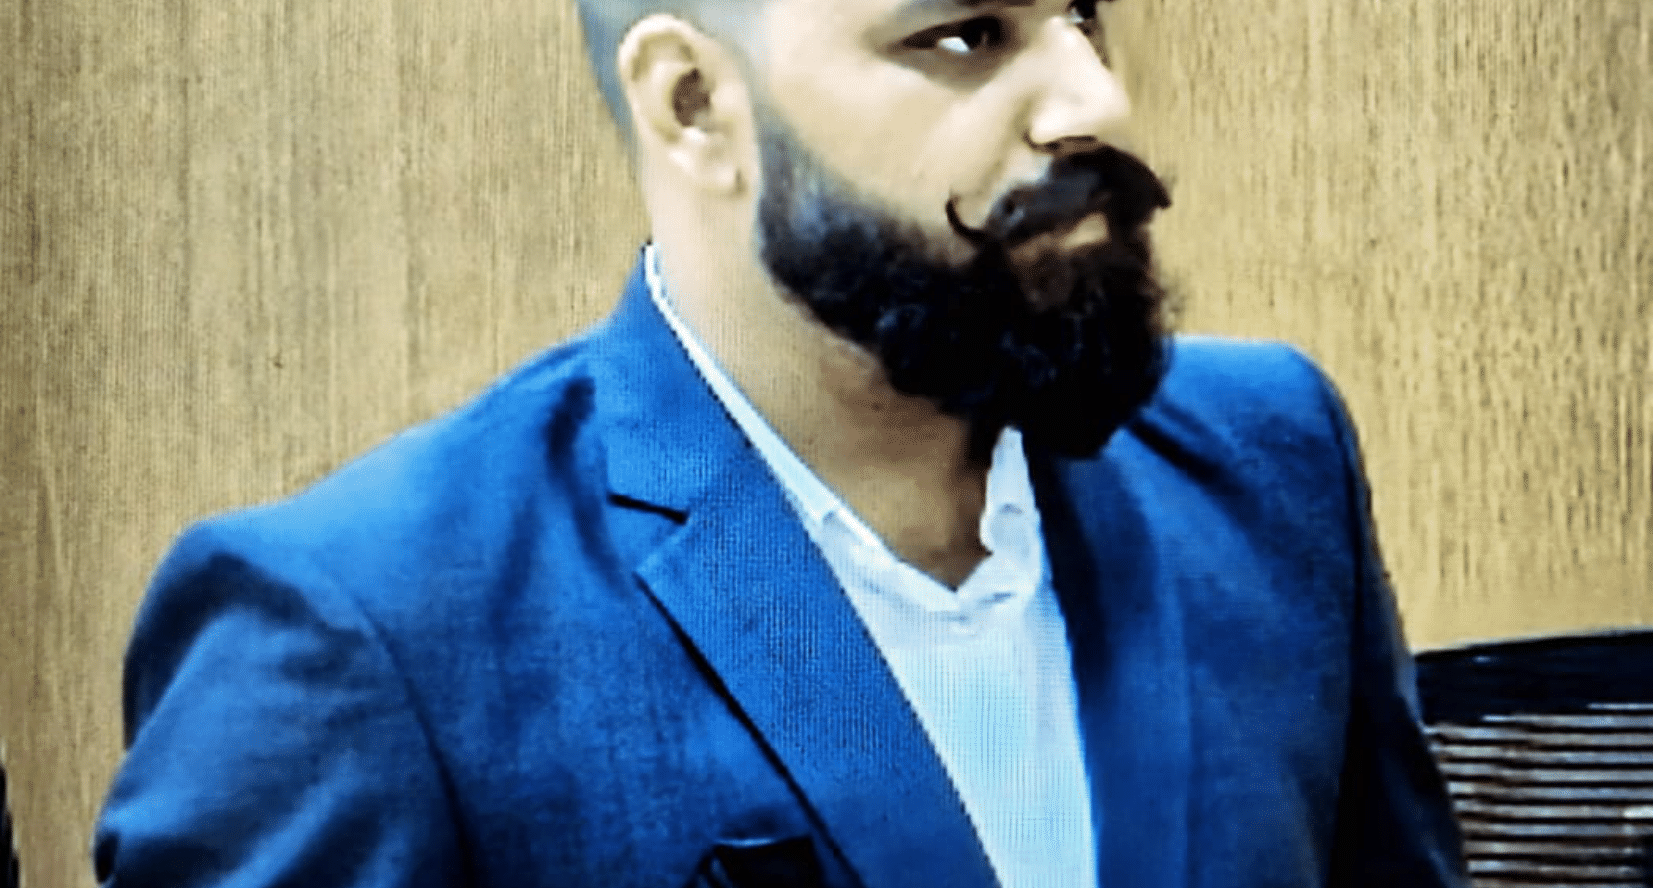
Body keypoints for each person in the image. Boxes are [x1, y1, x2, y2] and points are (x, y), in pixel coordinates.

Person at [92, 0, 1471, 885]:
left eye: (1082, 16)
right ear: (695, 103)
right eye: (963, 37)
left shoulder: (1269, 457)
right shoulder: (356, 631)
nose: (1092, 104)